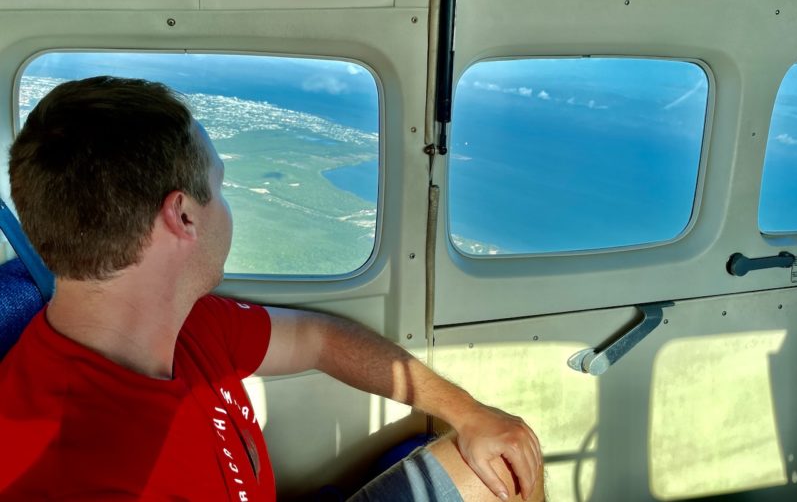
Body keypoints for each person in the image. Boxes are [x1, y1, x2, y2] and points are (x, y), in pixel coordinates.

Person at [0, 76, 544, 501]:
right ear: (183, 216)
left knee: (507, 458)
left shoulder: (187, 324)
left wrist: (469, 413)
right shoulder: (82, 474)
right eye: (219, 187)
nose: (226, 205)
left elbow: (317, 337)